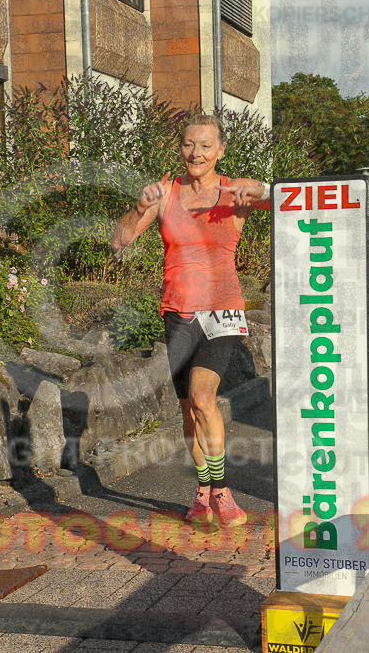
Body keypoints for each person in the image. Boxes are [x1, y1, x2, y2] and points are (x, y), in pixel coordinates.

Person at [112, 114, 269, 528]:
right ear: (179, 148)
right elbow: (120, 241)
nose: (195, 153)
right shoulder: (166, 193)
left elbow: (282, 200)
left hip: (222, 309)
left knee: (203, 398)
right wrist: (139, 206)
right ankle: (202, 493)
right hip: (179, 311)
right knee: (188, 412)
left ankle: (221, 491)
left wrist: (264, 189)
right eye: (187, 144)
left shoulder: (235, 192)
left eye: (204, 145)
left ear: (219, 151)